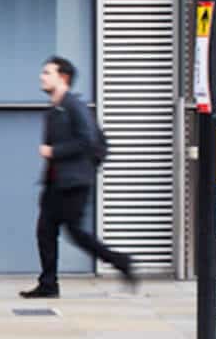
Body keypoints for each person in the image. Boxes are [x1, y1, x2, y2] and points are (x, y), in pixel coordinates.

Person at [21, 56, 136, 298]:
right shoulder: (55, 110)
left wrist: (54, 151)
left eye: (47, 72)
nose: (42, 77)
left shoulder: (74, 106)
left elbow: (88, 140)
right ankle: (48, 283)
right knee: (45, 231)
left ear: (63, 77)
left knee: (77, 233)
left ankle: (121, 261)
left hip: (74, 183)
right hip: (55, 182)